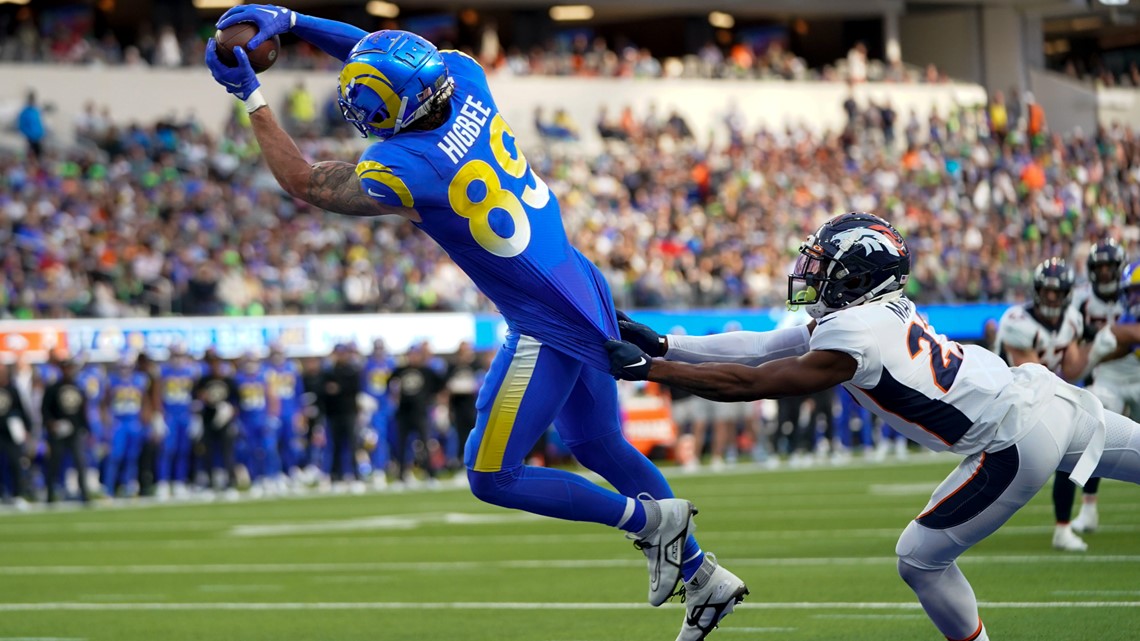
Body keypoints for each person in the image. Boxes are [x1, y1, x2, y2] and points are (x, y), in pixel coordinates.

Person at [206, 7, 744, 637]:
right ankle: (704, 577)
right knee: (597, 445)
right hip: (577, 278)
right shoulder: (463, 76)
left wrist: (250, 94)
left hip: (544, 319)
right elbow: (380, 49)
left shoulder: (405, 168)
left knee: (491, 475)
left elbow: (306, 181)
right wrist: (293, 19)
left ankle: (650, 524)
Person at [605, 212, 1140, 641]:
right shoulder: (874, 313)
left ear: (858, 278)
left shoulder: (853, 336)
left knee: (919, 560)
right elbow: (763, 346)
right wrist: (665, 345)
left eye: (825, 266)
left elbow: (756, 380)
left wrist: (651, 371)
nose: (811, 273)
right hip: (1048, 396)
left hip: (1013, 439)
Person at [994, 258, 1090, 551]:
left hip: (1041, 396)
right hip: (1004, 400)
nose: (1051, 297)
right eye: (1046, 291)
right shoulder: (1017, 322)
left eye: (1057, 292)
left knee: (1073, 446)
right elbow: (1036, 375)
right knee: (994, 469)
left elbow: (1073, 370)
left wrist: (1098, 347)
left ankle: (1064, 527)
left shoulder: (1072, 319)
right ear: (1036, 291)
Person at [1069, 239, 1127, 534]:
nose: (1104, 273)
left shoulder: (1131, 290)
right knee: (1095, 432)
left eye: (1109, 267)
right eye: (1099, 267)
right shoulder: (1081, 299)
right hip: (1108, 373)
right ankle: (1088, 507)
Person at [41, 359, 91, 503]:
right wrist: (52, 424)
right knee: (54, 464)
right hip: (57, 433)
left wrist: (86, 429)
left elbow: (82, 412)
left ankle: (85, 494)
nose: (68, 371)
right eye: (66, 368)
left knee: (80, 463)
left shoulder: (78, 387)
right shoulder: (53, 388)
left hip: (74, 432)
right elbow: (45, 410)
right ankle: (50, 494)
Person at [157, 344, 199, 500]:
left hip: (185, 415)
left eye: (181, 355)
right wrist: (158, 415)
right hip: (169, 416)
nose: (178, 359)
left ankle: (179, 481)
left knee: (183, 450)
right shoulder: (163, 371)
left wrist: (196, 415)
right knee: (167, 450)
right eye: (176, 355)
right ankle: (163, 482)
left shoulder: (191, 371)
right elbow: (157, 394)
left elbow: (195, 395)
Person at [194, 351, 240, 494]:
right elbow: (197, 398)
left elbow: (237, 401)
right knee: (207, 452)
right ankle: (209, 482)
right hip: (207, 420)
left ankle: (230, 482)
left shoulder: (229, 381)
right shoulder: (203, 380)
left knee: (227, 452)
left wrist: (229, 411)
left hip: (225, 421)